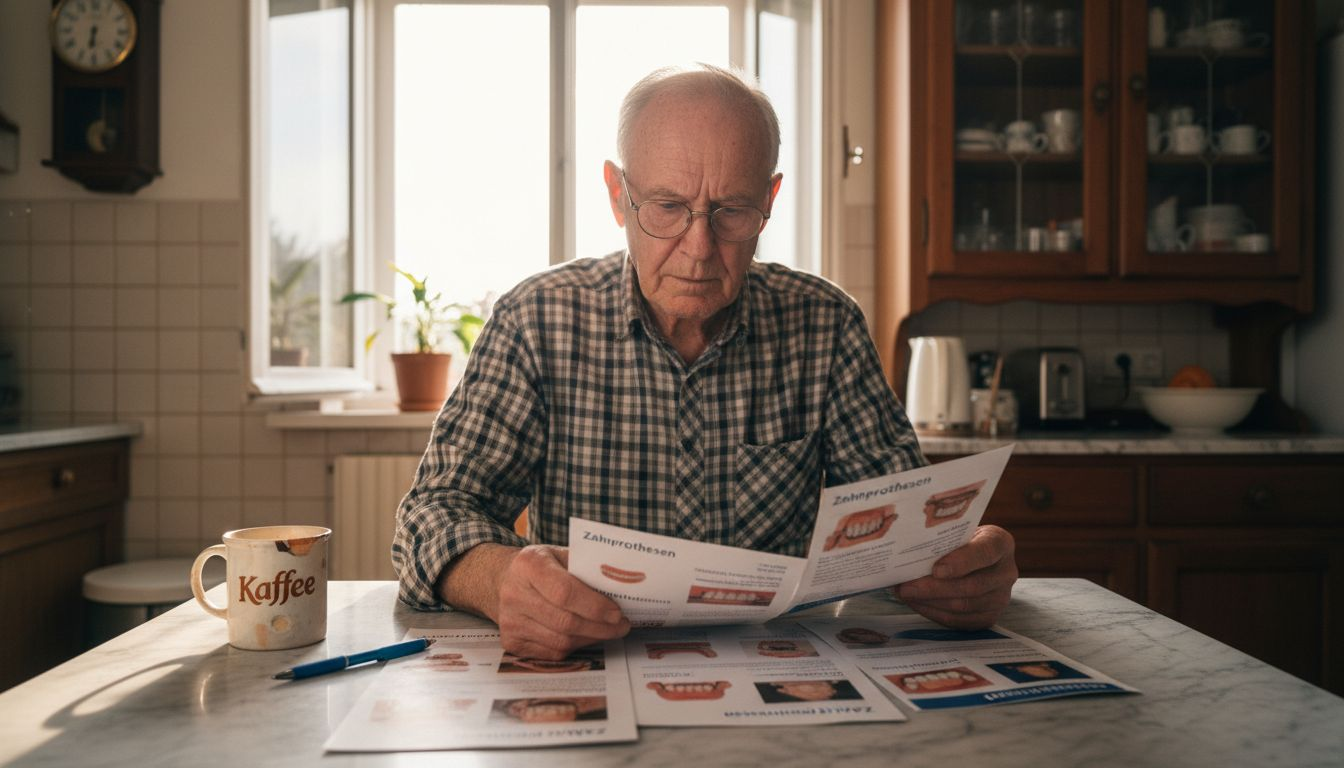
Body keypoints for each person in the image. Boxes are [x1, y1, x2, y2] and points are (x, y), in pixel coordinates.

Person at [392, 64, 1017, 660]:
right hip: (593, 663)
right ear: (618, 195)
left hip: (786, 670)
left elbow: (905, 527)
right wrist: (498, 578)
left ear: (769, 199)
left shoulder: (824, 326)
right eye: (666, 207)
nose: (698, 248)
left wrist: (963, 562)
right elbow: (430, 517)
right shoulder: (537, 320)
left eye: (732, 211)